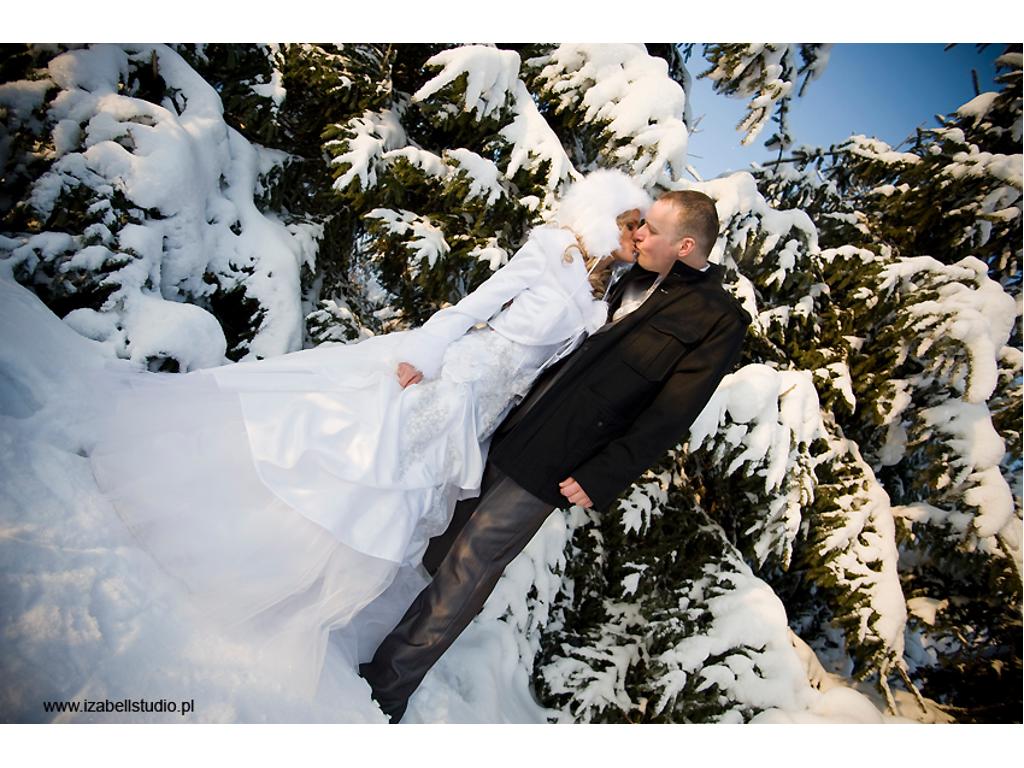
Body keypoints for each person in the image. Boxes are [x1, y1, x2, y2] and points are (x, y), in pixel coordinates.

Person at [86, 169, 651, 702]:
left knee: (402, 498)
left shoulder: (598, 290)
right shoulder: (550, 250)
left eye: (642, 229)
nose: (637, 237)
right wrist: (425, 352)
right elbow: (477, 303)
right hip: (456, 379)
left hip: (485, 410)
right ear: (604, 219)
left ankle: (304, 590)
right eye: (632, 225)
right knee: (368, 468)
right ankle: (252, 555)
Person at [360, 189, 751, 722]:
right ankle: (379, 629)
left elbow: (671, 412)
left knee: (473, 564)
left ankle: (384, 687)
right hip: (519, 422)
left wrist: (604, 472)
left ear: (685, 245)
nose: (639, 234)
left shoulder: (716, 316)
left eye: (653, 230)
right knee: (444, 537)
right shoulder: (626, 276)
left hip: (566, 455)